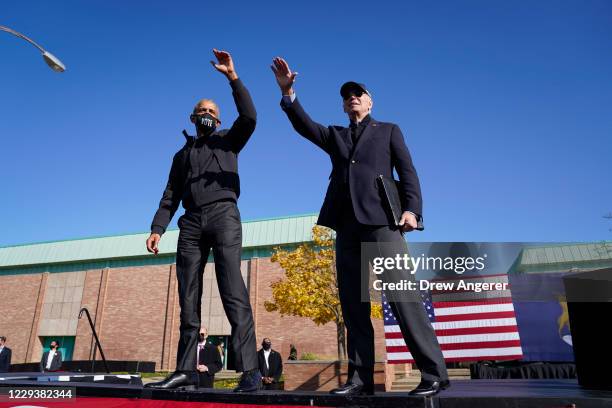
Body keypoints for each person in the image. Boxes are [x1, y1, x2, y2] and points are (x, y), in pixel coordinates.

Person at [271, 57, 450, 397]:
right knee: (354, 305)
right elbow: (304, 125)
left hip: (383, 224)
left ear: (370, 101)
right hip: (347, 227)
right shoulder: (335, 135)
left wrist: (413, 210)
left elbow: (408, 172)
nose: (352, 97)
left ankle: (434, 373)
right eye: (347, 95)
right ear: (343, 105)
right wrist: (288, 92)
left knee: (403, 298)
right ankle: (360, 380)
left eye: (358, 94)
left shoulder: (389, 131)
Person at [145, 49, 261, 392]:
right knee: (188, 296)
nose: (207, 115)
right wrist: (156, 228)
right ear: (193, 117)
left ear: (219, 119)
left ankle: (250, 372)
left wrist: (232, 78)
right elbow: (170, 194)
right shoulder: (181, 155)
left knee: (233, 291)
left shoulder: (229, 141)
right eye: (202, 111)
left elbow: (251, 117)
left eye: (213, 111)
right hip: (191, 223)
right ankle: (185, 370)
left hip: (224, 215)